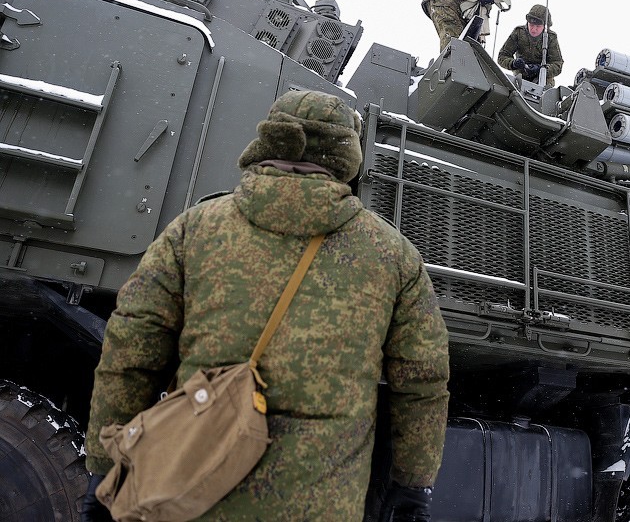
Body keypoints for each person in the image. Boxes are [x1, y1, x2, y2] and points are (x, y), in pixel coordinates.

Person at [81, 90, 451, 521]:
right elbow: (422, 383)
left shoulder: (194, 230)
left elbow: (130, 352)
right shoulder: (393, 255)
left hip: (190, 495)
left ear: (268, 143)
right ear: (347, 157)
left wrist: (104, 471)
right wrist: (412, 486)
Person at [498, 4, 564, 87]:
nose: (534, 29)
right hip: (520, 79)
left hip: (543, 82)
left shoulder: (550, 38)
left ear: (544, 26)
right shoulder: (518, 33)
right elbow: (502, 56)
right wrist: (513, 63)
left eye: (538, 26)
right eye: (531, 25)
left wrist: (541, 69)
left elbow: (557, 64)